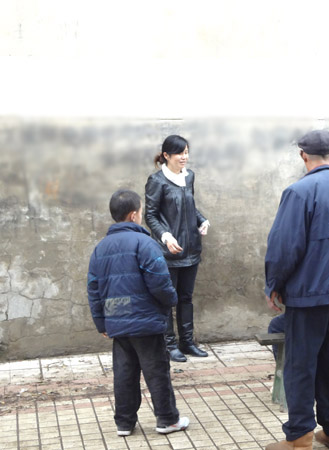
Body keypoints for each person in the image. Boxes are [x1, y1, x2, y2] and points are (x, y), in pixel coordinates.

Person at [264, 130, 329, 450]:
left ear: (303, 155)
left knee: (301, 364)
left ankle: (300, 436)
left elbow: (284, 247)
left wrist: (274, 284)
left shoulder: (298, 192)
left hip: (309, 295)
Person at [87, 190, 189, 436]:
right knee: (157, 372)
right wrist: (171, 301)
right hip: (145, 320)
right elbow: (160, 282)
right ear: (134, 215)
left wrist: (101, 323)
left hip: (117, 320)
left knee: (124, 373)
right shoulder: (145, 243)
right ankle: (167, 419)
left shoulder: (100, 248)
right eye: (141, 211)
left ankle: (124, 423)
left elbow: (94, 288)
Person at [145, 135, 210, 363]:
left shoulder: (189, 176)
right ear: (166, 155)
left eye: (186, 152)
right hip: (169, 252)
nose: (184, 157)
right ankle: (169, 345)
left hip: (191, 250)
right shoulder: (157, 181)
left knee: (186, 298)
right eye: (180, 153)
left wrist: (202, 220)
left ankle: (187, 342)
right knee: (167, 299)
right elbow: (150, 215)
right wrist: (165, 236)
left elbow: (190, 205)